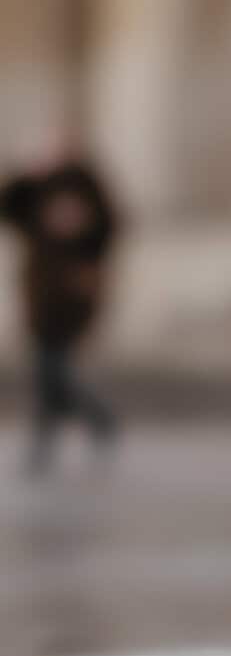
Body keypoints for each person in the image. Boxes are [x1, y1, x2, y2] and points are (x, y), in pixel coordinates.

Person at [1, 144, 123, 474]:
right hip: (40, 299)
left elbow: (109, 227)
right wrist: (24, 175)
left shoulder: (86, 187)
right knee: (50, 373)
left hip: (73, 298)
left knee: (51, 371)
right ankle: (97, 421)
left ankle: (56, 437)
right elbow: (8, 208)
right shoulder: (36, 192)